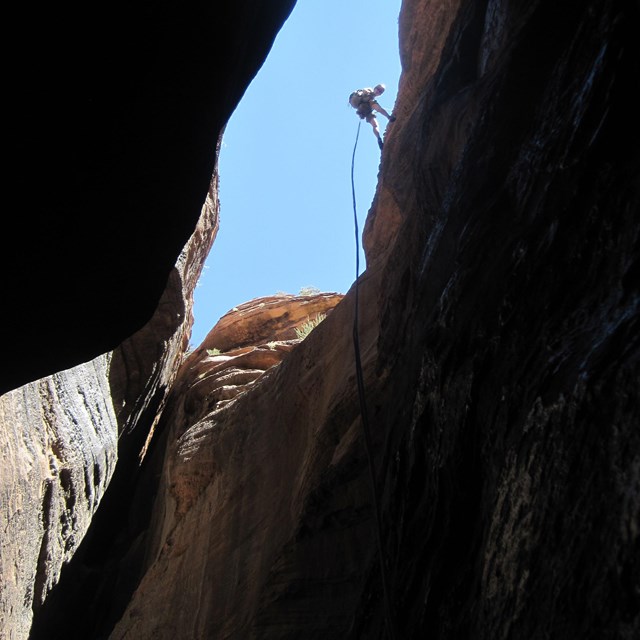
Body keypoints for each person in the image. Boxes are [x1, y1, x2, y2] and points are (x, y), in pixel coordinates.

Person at [349, 83, 396, 150]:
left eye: (381, 91)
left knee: (375, 125)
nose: (379, 91)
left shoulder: (369, 95)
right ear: (375, 88)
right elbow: (378, 108)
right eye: (378, 89)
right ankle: (389, 117)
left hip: (364, 110)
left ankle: (378, 139)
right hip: (365, 106)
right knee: (378, 108)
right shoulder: (369, 92)